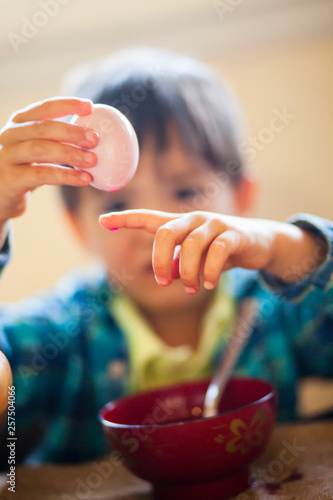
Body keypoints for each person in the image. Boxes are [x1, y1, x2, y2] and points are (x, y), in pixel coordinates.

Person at [0, 47, 332, 466]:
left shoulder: (279, 307)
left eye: (186, 193)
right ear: (77, 226)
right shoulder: (61, 334)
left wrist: (283, 246)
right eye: (117, 204)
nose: (158, 230)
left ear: (243, 196)